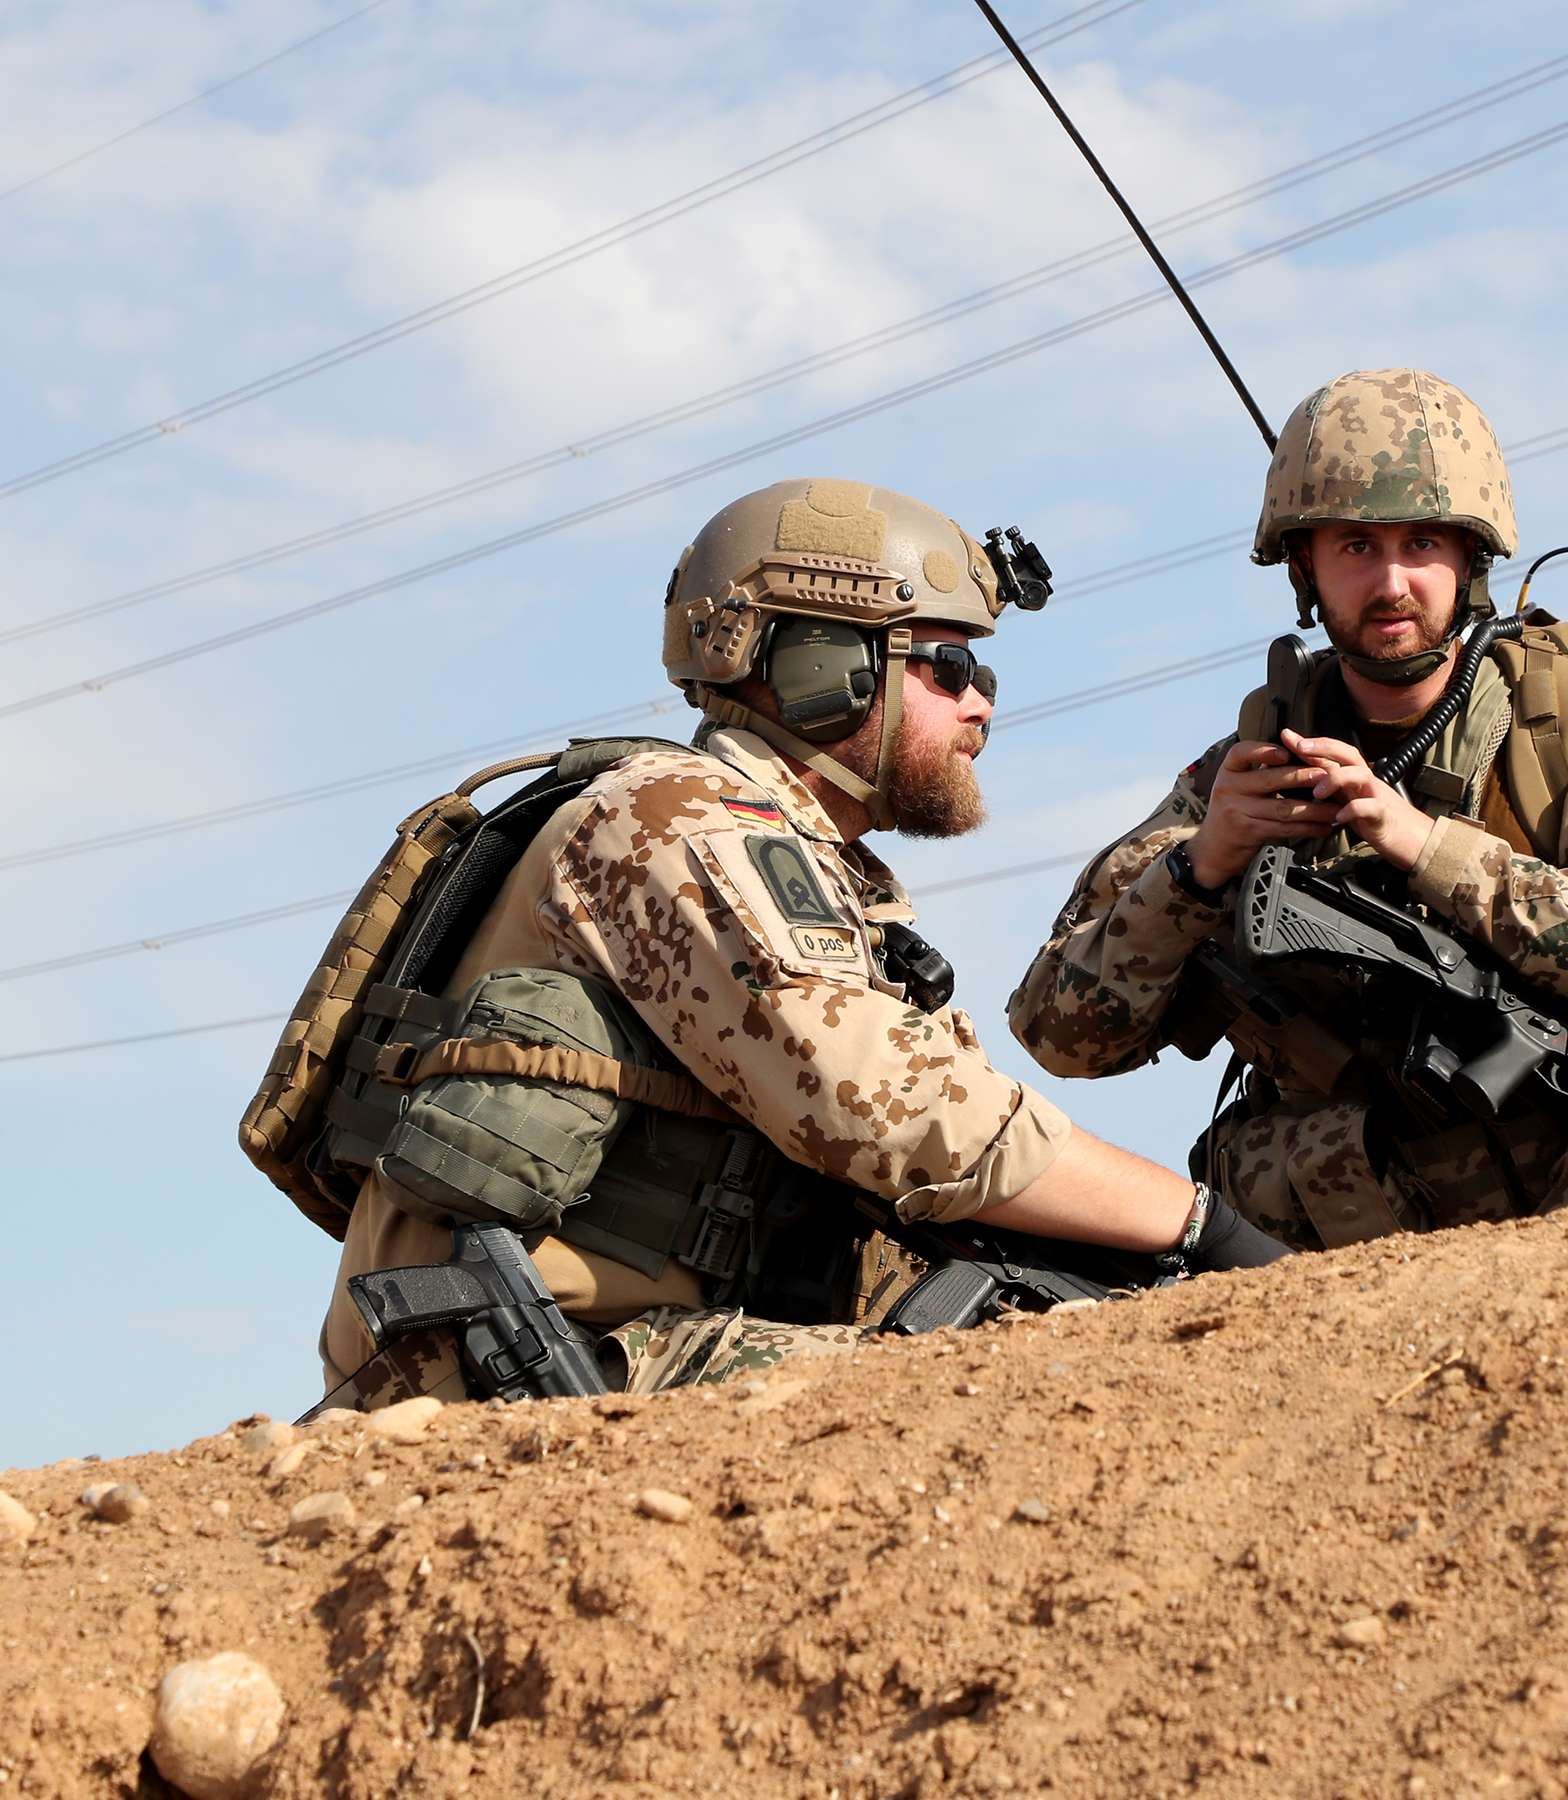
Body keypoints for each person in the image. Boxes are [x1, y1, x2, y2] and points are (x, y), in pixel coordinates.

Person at [304, 477, 1285, 1405]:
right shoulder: (673, 823)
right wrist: (1210, 1231)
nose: (982, 700)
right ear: (822, 668)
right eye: (948, 664)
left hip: (633, 1348)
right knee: (1037, 1389)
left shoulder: (812, 870)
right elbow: (897, 1113)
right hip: (521, 1365)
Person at [1008, 369, 1568, 1250]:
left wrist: (1426, 845)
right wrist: (1198, 871)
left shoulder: (1563, 726)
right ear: (1303, 567)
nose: (1391, 582)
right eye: (1355, 546)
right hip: (1386, 1226)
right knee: (1247, 1180)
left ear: (1470, 558)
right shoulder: (1251, 773)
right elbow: (1056, 1033)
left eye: (1422, 544)